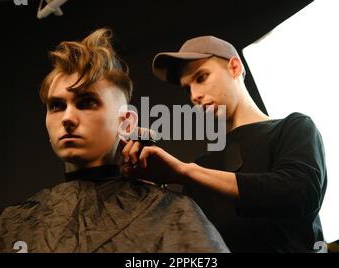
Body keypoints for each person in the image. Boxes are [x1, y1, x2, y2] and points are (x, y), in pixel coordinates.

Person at [0, 29, 229, 253]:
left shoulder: (168, 212)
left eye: (87, 102)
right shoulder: (16, 222)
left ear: (126, 123)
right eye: (57, 106)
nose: (68, 118)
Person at [122, 35, 327, 252]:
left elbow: (300, 193)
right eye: (187, 89)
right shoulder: (203, 166)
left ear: (235, 67)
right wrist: (152, 189)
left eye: (201, 77)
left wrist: (185, 171)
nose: (194, 95)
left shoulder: (293, 127)